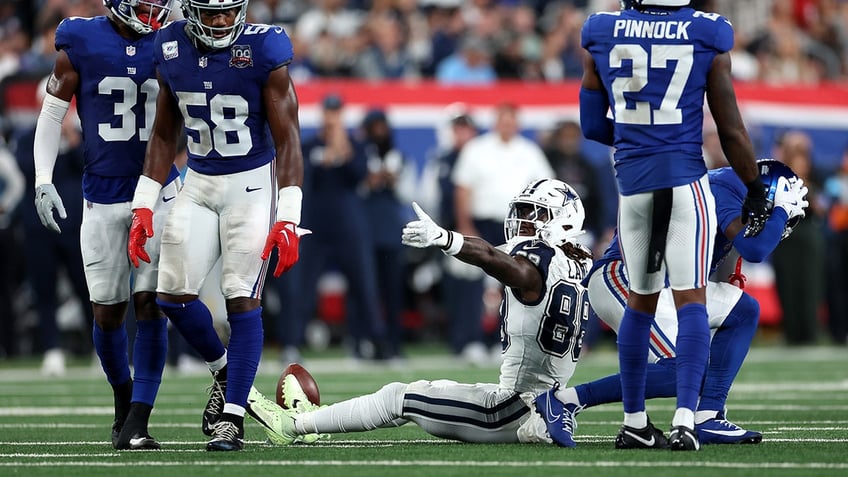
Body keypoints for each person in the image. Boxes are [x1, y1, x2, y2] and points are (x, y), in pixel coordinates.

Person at [246, 179, 593, 446]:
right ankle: (309, 420)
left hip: (512, 410)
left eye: (535, 218)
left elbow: (500, 262)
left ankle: (293, 425)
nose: (522, 225)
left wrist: (446, 238)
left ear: (563, 222)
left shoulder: (534, 264)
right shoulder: (578, 261)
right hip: (545, 399)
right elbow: (497, 256)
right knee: (435, 388)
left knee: (400, 397)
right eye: (523, 214)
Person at [579, 0, 769, 450]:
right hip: (685, 183)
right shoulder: (707, 31)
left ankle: (635, 423)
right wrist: (755, 186)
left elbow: (590, 124)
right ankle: (686, 418)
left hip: (635, 190)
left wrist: (636, 137)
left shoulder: (602, 30)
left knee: (641, 303)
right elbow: (731, 130)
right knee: (692, 302)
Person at [126, 0, 306, 452]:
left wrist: (288, 218)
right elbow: (165, 133)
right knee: (170, 295)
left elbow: (288, 140)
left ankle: (233, 419)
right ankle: (226, 372)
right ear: (190, 11)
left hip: (252, 184)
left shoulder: (265, 47)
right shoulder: (169, 45)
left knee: (240, 297)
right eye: (212, 12)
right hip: (201, 179)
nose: (222, 20)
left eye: (229, 11)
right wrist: (143, 205)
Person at [535, 159, 809, 447]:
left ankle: (708, 415)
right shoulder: (726, 186)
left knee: (743, 311)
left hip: (670, 284)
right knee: (687, 369)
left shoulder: (726, 184)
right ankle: (565, 401)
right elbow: (755, 249)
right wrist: (780, 210)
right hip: (626, 276)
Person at [31, 0, 177, 450]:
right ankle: (122, 404)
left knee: (151, 304)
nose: (152, 9)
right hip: (102, 194)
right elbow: (53, 113)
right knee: (106, 312)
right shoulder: (80, 38)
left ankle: (139, 419)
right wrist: (42, 178)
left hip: (156, 190)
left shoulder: (172, 40)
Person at [452, 102, 555, 363]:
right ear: (495, 121)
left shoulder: (529, 151)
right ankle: (470, 340)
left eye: (511, 121)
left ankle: (504, 340)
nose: (507, 126)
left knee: (512, 283)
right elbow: (463, 189)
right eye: (503, 120)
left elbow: (546, 188)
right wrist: (465, 224)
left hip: (519, 228)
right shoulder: (476, 149)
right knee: (474, 284)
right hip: (483, 223)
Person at [14, 76, 93, 376]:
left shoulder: (80, 137)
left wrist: (72, 140)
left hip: (75, 226)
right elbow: (26, 166)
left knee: (88, 290)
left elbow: (90, 165)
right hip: (38, 229)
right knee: (43, 292)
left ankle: (101, 349)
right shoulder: (27, 137)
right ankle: (52, 349)